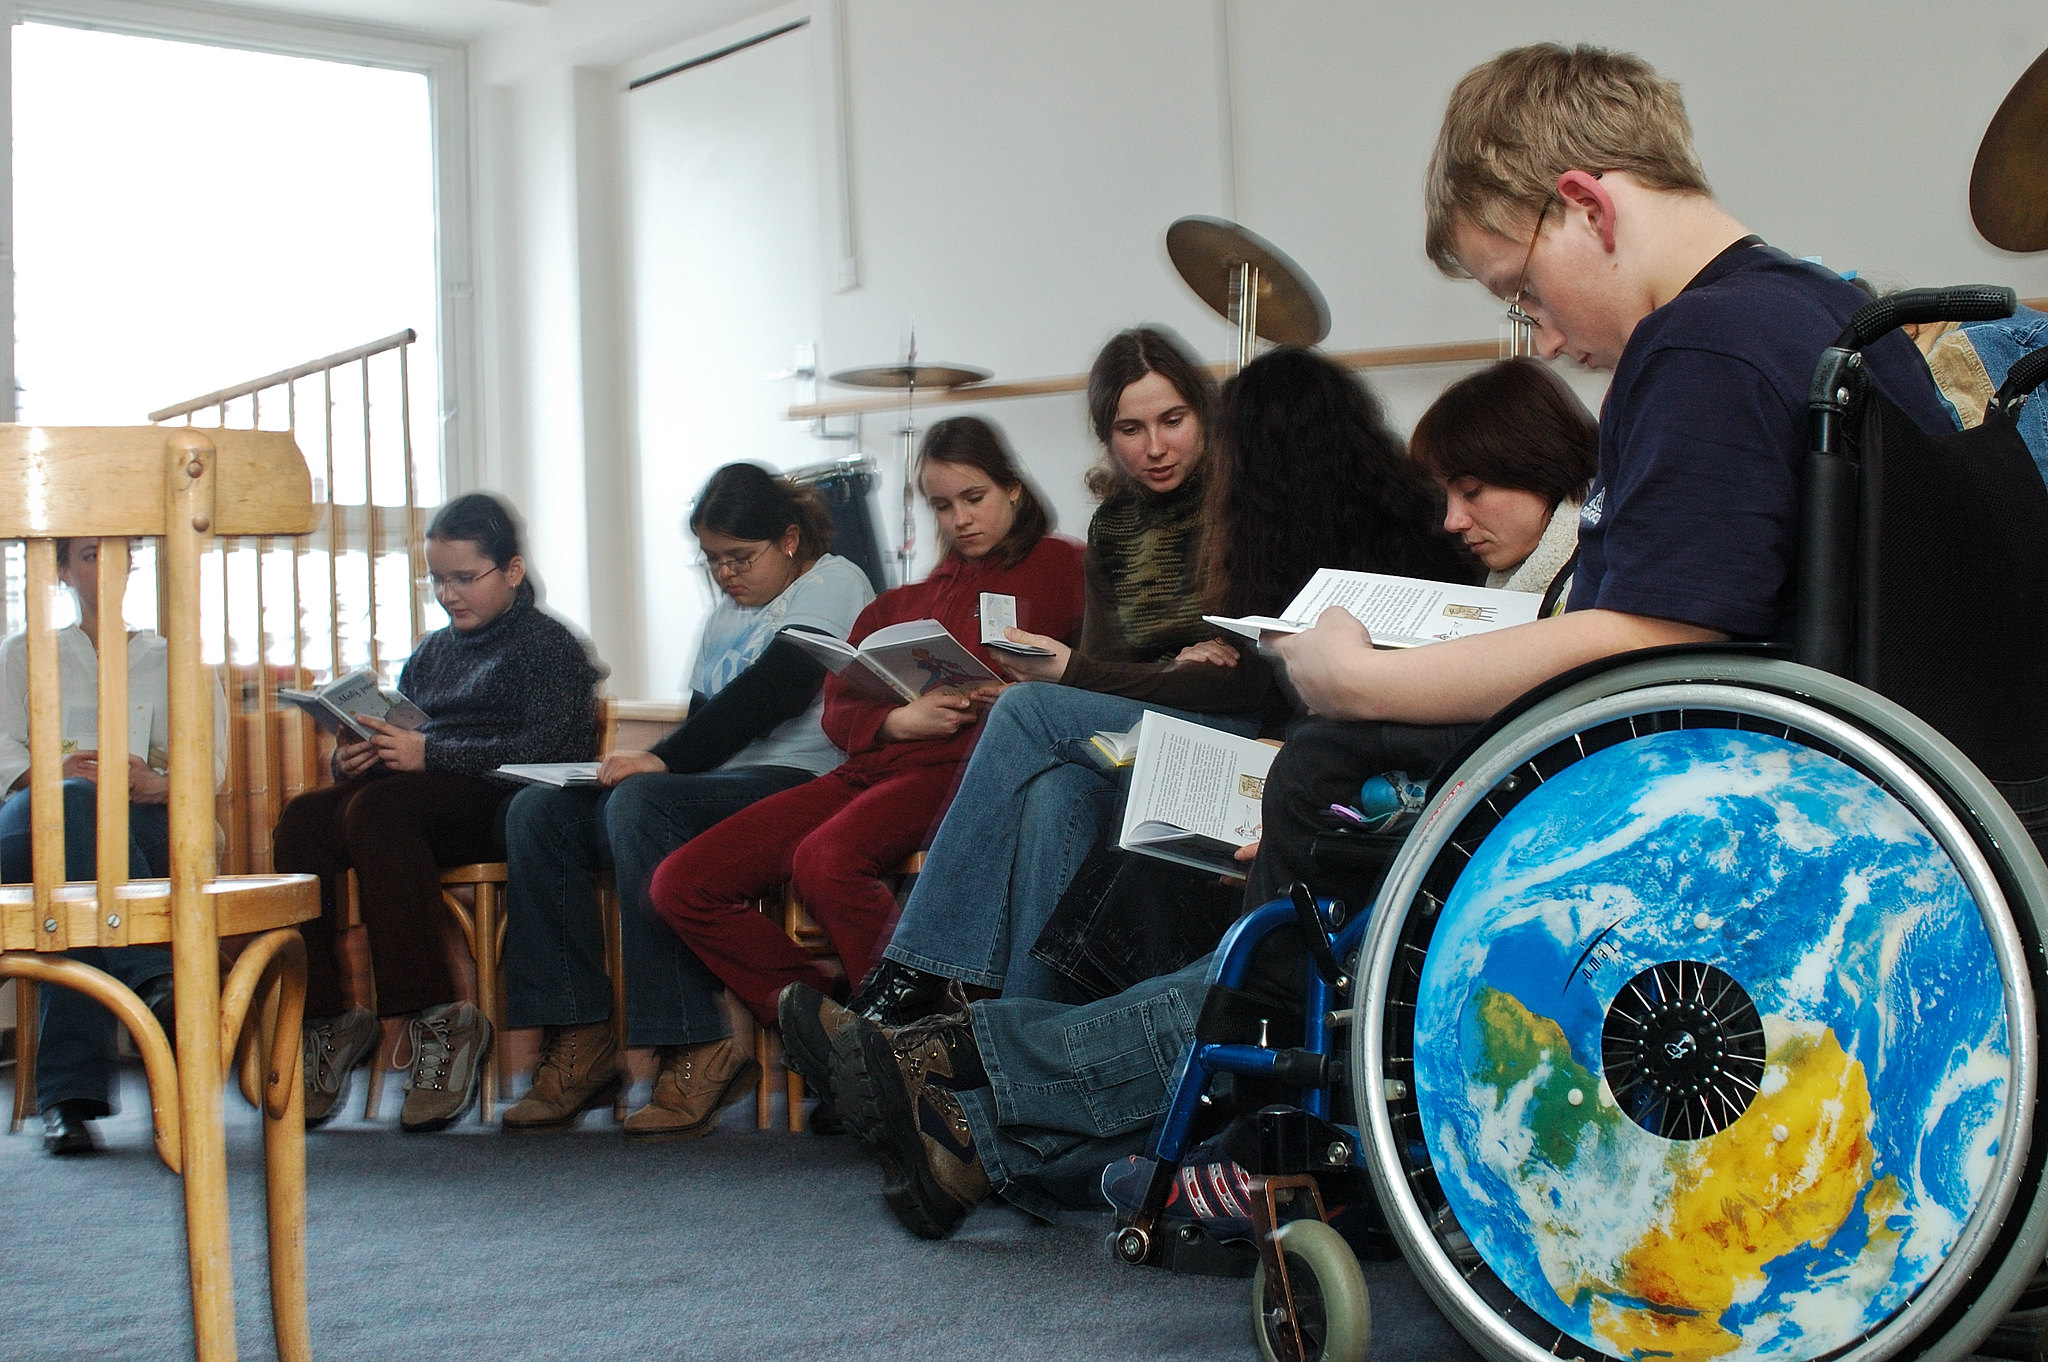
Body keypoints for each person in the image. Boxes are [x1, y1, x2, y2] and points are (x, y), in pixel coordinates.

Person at [812, 41, 1954, 1240]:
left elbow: (1645, 636)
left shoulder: (1702, 347)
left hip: (1691, 802)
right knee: (1312, 807)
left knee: (1323, 817)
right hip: (1802, 774)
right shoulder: (1816, 308)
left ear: (1583, 206)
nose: (1541, 337)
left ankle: (978, 1076)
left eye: (1518, 292)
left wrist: (1359, 678)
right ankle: (980, 1099)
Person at [839, 341, 1476, 1028]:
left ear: (1209, 422)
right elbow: (1119, 677)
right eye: (1129, 429)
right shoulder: (1118, 525)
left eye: (1173, 421)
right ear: (1106, 438)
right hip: (1169, 722)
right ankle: (1011, 1037)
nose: (1154, 447)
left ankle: (919, 974)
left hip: (1247, 735)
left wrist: (1092, 673)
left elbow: (1244, 685)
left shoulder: (1252, 511)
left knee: (1026, 710)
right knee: (1055, 790)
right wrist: (1161, 671)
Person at [638, 416, 1084, 1140]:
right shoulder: (902, 601)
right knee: (680, 884)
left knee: (825, 859)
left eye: (973, 498)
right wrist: (895, 722)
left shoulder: (1064, 566)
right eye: (942, 506)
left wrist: (1020, 695)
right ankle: (843, 1029)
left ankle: (910, 1040)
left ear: (1013, 488)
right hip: (870, 767)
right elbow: (839, 704)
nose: (960, 520)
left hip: (962, 772)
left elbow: (1088, 677)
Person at [498, 464, 872, 1135]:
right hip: (718, 787)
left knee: (644, 805)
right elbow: (706, 720)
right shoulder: (724, 616)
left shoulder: (835, 581)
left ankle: (696, 1043)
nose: (726, 574)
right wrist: (657, 765)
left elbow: (778, 689)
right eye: (712, 561)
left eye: (740, 558)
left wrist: (662, 762)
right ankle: (578, 1036)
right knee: (538, 815)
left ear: (789, 539)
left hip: (800, 778)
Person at [278, 493, 604, 1133]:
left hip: (504, 802)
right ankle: (327, 1018)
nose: (450, 595)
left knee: (379, 811)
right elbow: (410, 735)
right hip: (420, 793)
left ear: (512, 571)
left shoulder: (550, 646)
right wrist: (357, 756)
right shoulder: (433, 651)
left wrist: (431, 753)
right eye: (437, 580)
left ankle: (439, 1017)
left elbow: (557, 748)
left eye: (465, 578)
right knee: (304, 820)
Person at [0, 538, 225, 1156]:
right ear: (62, 570)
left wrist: (152, 782)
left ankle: (67, 1100)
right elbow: (2, 752)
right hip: (33, 821)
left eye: (118, 554)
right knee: (75, 810)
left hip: (139, 822)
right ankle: (154, 978)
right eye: (90, 555)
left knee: (82, 882)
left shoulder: (177, 659)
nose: (106, 567)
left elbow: (208, 769)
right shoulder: (21, 652)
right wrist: (55, 772)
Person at [1409, 356, 1597, 615]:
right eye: (1445, 497)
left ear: (1544, 469)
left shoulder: (1605, 588)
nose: (1452, 522)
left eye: (1471, 491)